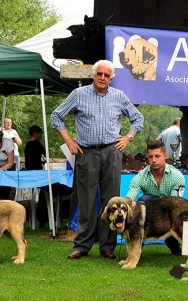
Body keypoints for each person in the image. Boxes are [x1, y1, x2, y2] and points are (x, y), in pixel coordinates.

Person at [51, 59, 144, 260]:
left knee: (112, 200)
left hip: (112, 151)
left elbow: (138, 119)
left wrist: (128, 137)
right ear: (93, 75)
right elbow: (56, 117)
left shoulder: (119, 96)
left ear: (111, 78)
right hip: (86, 152)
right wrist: (68, 141)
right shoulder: (78, 94)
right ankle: (82, 245)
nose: (102, 78)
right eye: (99, 74)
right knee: (86, 200)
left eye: (106, 75)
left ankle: (107, 246)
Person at [126, 139, 187, 255]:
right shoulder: (141, 176)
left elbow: (176, 204)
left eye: (157, 156)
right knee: (142, 201)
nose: (153, 160)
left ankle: (175, 245)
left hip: (169, 212)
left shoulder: (177, 177)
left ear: (165, 156)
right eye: (150, 157)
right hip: (149, 214)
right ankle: (137, 248)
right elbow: (130, 200)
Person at [24, 125, 49, 228]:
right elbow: (45, 152)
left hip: (29, 172)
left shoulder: (27, 145)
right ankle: (43, 218)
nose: (41, 136)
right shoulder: (36, 144)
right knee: (45, 191)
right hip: (37, 173)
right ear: (36, 134)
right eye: (40, 134)